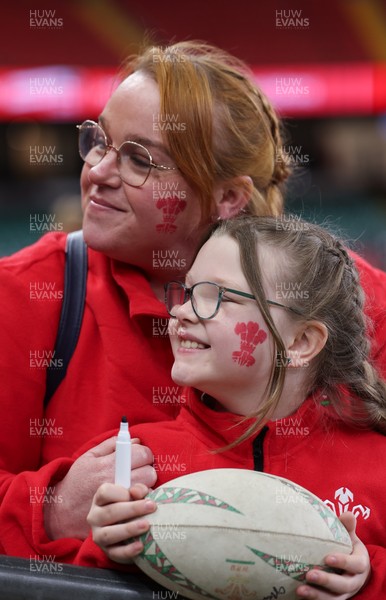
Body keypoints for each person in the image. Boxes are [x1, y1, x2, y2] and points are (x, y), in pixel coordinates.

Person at [0, 41, 385, 564]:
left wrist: (367, 573)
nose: (97, 172)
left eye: (140, 159)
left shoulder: (355, 304)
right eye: (99, 141)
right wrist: (48, 508)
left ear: (228, 197)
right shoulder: (26, 295)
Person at [87, 215, 386, 600]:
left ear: (300, 342)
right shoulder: (137, 463)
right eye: (189, 291)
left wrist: (368, 575)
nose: (182, 312)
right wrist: (107, 549)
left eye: (219, 296)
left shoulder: (376, 464)